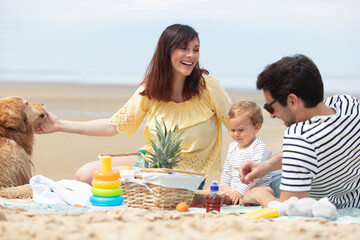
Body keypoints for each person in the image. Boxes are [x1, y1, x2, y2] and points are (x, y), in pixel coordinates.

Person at [35, 24, 232, 188]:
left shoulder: (208, 87)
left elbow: (237, 124)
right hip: (152, 163)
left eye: (195, 49)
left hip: (188, 176)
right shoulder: (151, 88)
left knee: (114, 178)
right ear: (167, 50)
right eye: (184, 48)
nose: (191, 55)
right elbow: (113, 125)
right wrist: (59, 124)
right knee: (85, 174)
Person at [239, 54, 360, 209]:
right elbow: (321, 148)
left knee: (248, 189)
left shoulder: (300, 138)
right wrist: (266, 166)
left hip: (326, 205)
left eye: (271, 107)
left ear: (292, 101)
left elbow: (290, 210)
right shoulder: (348, 104)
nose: (272, 115)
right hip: (353, 197)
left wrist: (258, 194)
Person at [219, 100, 271, 205]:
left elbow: (256, 176)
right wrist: (222, 190)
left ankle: (242, 200)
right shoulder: (232, 147)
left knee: (263, 192)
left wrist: (241, 191)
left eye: (241, 130)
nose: (236, 134)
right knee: (212, 189)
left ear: (256, 128)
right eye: (233, 130)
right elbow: (227, 172)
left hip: (253, 188)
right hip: (235, 189)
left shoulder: (259, 148)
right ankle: (232, 199)